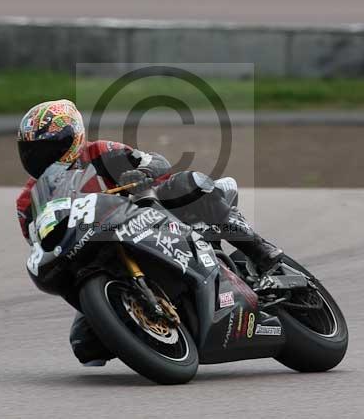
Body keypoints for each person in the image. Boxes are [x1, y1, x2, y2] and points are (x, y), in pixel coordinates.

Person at [15, 99, 282, 365]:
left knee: (188, 183)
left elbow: (156, 161)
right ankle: (148, 328)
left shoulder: (98, 152)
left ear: (73, 138)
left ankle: (259, 249)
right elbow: (38, 239)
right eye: (34, 152)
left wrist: (139, 174)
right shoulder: (28, 200)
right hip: (95, 252)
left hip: (149, 217)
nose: (43, 157)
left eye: (52, 148)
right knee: (84, 345)